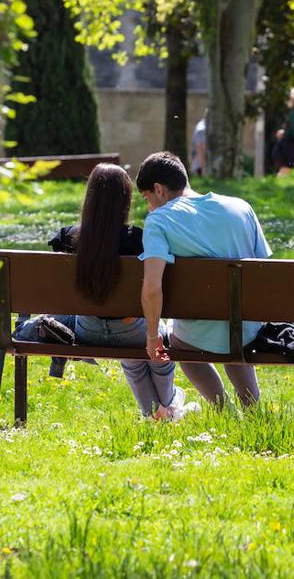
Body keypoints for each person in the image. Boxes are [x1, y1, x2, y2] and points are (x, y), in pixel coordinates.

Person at [48, 163, 190, 421]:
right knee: (159, 343)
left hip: (86, 330)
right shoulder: (137, 238)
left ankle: (156, 414)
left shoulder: (68, 238)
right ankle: (168, 404)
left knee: (135, 360)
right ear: (124, 199)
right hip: (131, 331)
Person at [137, 151, 269, 407]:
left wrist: (153, 337)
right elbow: (263, 271)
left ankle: (223, 409)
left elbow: (152, 288)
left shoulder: (159, 221)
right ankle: (252, 407)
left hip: (199, 334)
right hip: (248, 329)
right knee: (233, 330)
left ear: (158, 189)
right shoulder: (241, 207)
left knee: (177, 341)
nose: (148, 206)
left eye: (146, 198)